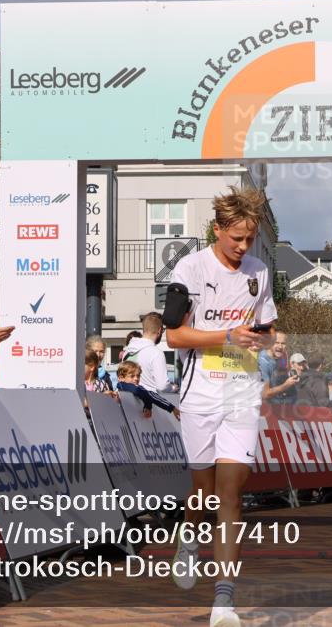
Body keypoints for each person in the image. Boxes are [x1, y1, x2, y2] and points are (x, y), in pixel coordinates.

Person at [164, 184, 277, 627]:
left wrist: (266, 342)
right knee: (204, 492)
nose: (243, 247)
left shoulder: (260, 273)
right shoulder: (190, 267)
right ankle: (189, 540)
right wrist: (227, 336)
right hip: (199, 393)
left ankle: (224, 602)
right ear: (218, 229)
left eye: (249, 239)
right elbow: (174, 336)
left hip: (241, 392)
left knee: (231, 494)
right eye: (236, 238)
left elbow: (267, 331)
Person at [124, 312, 169, 391]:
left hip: (128, 400)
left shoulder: (128, 351)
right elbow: (162, 386)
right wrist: (173, 388)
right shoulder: (156, 353)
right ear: (159, 330)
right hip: (148, 401)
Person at [259, 330, 297, 405]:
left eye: (283, 343)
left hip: (280, 402)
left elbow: (283, 374)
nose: (280, 346)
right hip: (264, 407)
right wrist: (286, 385)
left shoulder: (282, 356)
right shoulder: (263, 362)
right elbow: (265, 394)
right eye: (276, 343)